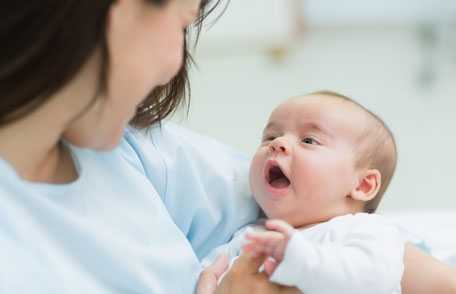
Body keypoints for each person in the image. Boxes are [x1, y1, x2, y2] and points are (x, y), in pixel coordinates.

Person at [0, 1, 454, 294]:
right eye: (182, 25)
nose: (175, 64)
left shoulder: (130, 148)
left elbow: (394, 256)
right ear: (119, 14)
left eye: (308, 139)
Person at [202, 91, 404, 293]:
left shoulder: (366, 229)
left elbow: (375, 279)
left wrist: (301, 260)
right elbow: (210, 273)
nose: (277, 143)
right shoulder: (250, 235)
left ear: (363, 185)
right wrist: (207, 283)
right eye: (271, 136)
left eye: (309, 140)